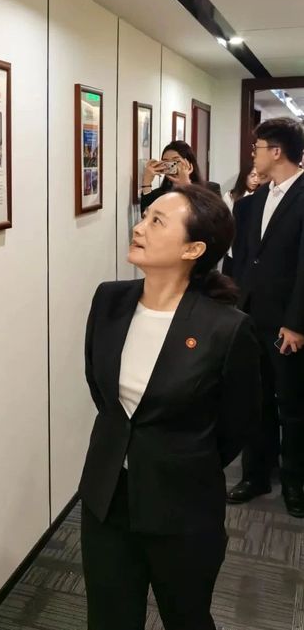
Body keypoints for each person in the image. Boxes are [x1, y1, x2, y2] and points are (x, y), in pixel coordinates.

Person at [80, 185, 261, 630]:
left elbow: (238, 424)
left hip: (182, 505)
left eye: (157, 221)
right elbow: (103, 392)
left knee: (186, 618)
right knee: (109, 619)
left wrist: (180, 454)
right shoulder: (109, 299)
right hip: (108, 496)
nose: (139, 227)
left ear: (193, 249)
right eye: (145, 216)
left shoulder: (226, 328)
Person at [226, 117, 304, 518]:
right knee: (254, 401)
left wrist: (296, 322)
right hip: (250, 316)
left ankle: (295, 483)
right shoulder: (251, 202)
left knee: (292, 404)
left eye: (257, 148)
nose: (252, 155)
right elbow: (242, 260)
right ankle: (255, 475)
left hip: (287, 323)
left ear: (276, 151)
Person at [140, 140, 221, 214]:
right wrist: (146, 183)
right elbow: (146, 217)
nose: (171, 165)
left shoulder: (211, 189)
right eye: (166, 161)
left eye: (176, 161)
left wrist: (186, 187)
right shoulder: (159, 194)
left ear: (189, 163)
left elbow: (215, 218)